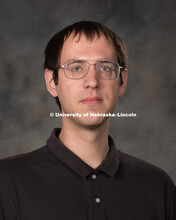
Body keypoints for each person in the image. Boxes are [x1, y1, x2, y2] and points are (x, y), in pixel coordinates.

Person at [0, 21, 175, 220]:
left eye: (105, 67)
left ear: (122, 82)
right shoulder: (6, 182)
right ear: (52, 82)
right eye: (76, 68)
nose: (92, 81)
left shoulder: (158, 186)